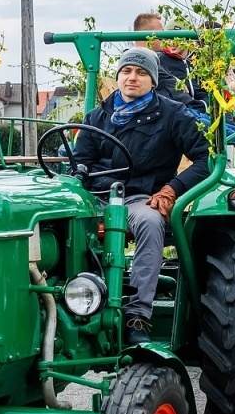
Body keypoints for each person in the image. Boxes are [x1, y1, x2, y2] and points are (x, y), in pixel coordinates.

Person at [74, 48, 211, 344]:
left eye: (141, 73)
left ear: (153, 80)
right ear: (118, 76)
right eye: (126, 71)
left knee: (150, 221)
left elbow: (205, 159)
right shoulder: (97, 116)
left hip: (140, 197)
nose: (132, 78)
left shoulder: (173, 114)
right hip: (97, 196)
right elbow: (81, 162)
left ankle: (137, 315)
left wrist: (172, 189)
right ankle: (78, 303)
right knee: (62, 221)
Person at [132, 12, 198, 109]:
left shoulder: (153, 61)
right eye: (162, 33)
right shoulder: (144, 63)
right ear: (149, 36)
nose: (165, 38)